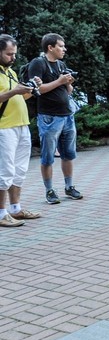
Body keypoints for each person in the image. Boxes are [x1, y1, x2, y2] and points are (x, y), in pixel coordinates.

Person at [27, 33, 82, 204]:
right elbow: (38, 89)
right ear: (50, 47)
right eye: (61, 46)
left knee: (68, 154)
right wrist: (59, 81)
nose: (64, 49)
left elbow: (68, 92)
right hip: (49, 117)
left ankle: (69, 187)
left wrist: (68, 83)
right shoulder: (38, 63)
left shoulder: (61, 64)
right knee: (48, 156)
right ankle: (49, 190)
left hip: (67, 116)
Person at [0, 34, 42, 227]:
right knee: (5, 171)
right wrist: (14, 91)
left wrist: (28, 91)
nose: (13, 58)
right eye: (9, 54)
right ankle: (1, 214)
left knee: (19, 170)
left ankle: (15, 210)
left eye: (14, 54)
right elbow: (7, 95)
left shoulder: (10, 72)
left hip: (21, 126)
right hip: (4, 128)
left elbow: (17, 98)